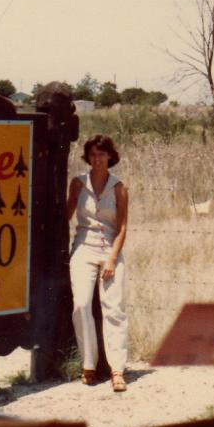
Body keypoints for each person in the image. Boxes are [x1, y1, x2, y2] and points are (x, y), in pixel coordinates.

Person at [66, 134, 130, 392]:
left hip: (110, 249)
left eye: (102, 154)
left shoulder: (119, 187)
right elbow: (66, 215)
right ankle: (88, 364)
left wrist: (112, 259)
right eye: (93, 154)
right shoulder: (78, 184)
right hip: (83, 247)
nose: (98, 159)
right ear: (88, 157)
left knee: (113, 308)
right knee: (81, 305)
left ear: (110, 157)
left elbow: (123, 226)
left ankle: (117, 369)